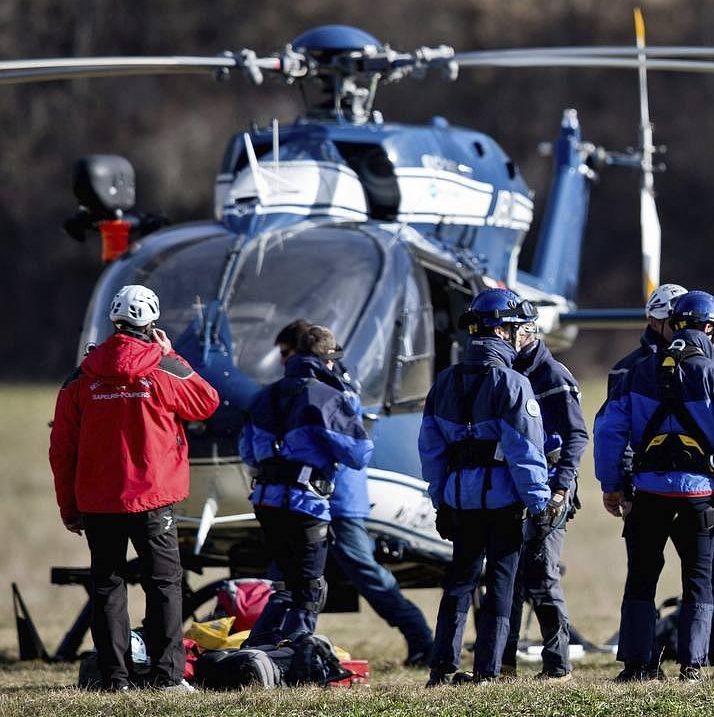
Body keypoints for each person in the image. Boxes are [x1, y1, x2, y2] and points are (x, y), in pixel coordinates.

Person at [50, 285, 220, 691]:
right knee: (164, 584)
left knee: (107, 587)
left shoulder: (82, 376)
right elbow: (207, 402)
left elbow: (61, 449)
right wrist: (172, 354)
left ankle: (115, 679)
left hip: (98, 502)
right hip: (153, 500)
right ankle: (167, 676)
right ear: (152, 323)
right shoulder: (162, 368)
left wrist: (68, 507)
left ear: (114, 320)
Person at [594, 290, 714, 682]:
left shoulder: (637, 373)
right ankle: (693, 666)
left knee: (641, 578)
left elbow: (608, 432)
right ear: (706, 328)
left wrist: (612, 484)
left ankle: (636, 666)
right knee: (698, 582)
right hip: (698, 497)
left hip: (647, 495)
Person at [272, 320, 433, 667]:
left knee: (363, 573)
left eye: (285, 353)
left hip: (336, 499)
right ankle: (288, 646)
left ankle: (420, 636)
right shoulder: (330, 383)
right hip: (321, 497)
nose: (281, 361)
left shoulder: (324, 388)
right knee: (290, 576)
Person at [419, 288, 553, 685]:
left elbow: (431, 449)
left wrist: (441, 500)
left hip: (459, 500)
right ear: (503, 333)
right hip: (504, 503)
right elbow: (524, 451)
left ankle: (441, 670)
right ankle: (488, 672)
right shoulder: (513, 383)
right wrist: (540, 502)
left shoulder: (444, 381)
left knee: (458, 583)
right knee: (500, 585)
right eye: (516, 328)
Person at [241, 325, 373, 648]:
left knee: (284, 584)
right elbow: (359, 453)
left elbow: (247, 451)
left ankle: (259, 649)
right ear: (328, 360)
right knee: (310, 588)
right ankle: (294, 656)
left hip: (266, 502)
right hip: (306, 504)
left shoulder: (263, 396)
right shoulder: (327, 397)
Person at [502, 315, 589, 681]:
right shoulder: (508, 373)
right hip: (517, 487)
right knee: (510, 578)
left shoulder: (553, 377)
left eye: (508, 333)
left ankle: (558, 665)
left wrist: (562, 486)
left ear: (526, 334)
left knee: (541, 576)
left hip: (551, 488)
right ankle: (502, 664)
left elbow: (576, 435)